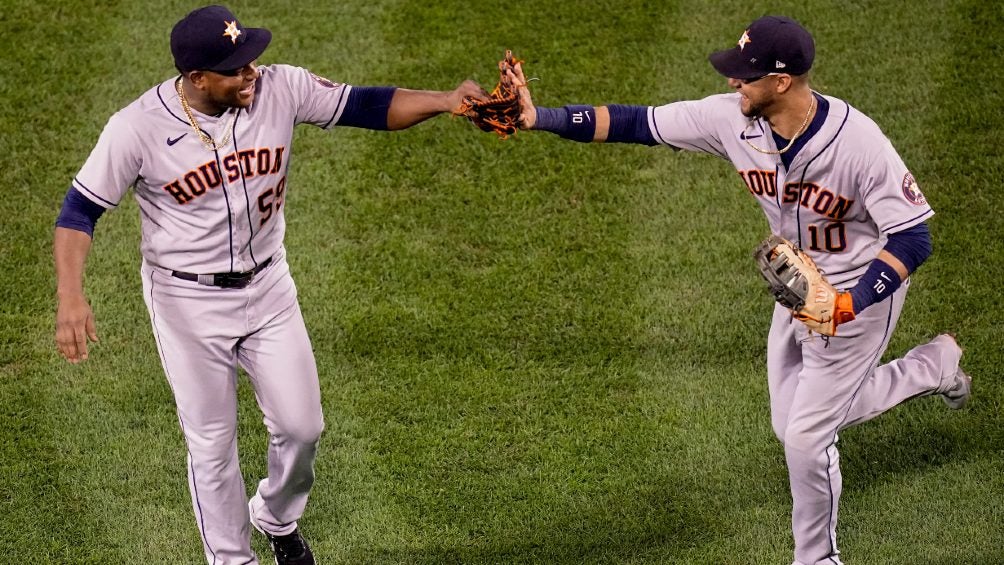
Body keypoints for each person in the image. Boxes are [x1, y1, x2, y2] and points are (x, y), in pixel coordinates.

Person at [503, 15, 972, 565]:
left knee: (805, 439)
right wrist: (538, 119)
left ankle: (817, 559)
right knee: (793, 421)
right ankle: (930, 368)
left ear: (781, 82)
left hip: (862, 293)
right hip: (795, 284)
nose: (733, 82)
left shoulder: (860, 144)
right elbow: (636, 122)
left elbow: (914, 238)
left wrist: (851, 303)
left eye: (746, 75)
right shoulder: (733, 120)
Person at [53, 5, 486, 564]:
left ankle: (277, 517)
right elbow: (78, 211)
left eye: (251, 58)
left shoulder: (284, 87)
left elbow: (367, 105)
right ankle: (232, 559)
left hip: (269, 288)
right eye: (235, 68)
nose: (252, 72)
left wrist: (446, 101)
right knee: (212, 446)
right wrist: (71, 296)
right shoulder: (136, 128)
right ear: (197, 79)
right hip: (188, 301)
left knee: (303, 427)